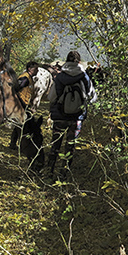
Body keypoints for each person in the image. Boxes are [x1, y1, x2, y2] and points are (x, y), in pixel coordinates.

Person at [45, 51, 97, 179]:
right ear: (79, 62)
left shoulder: (60, 77)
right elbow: (93, 97)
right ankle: (64, 174)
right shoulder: (84, 76)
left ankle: (49, 172)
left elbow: (51, 97)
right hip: (76, 117)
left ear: (66, 61)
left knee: (55, 143)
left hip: (59, 116)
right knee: (70, 145)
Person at [9, 61, 39, 149]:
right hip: (21, 106)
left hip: (24, 105)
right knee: (23, 126)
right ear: (30, 69)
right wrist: (21, 104)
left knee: (19, 125)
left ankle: (13, 144)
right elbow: (15, 89)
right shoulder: (25, 78)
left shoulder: (29, 78)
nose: (37, 71)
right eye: (36, 69)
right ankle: (23, 146)